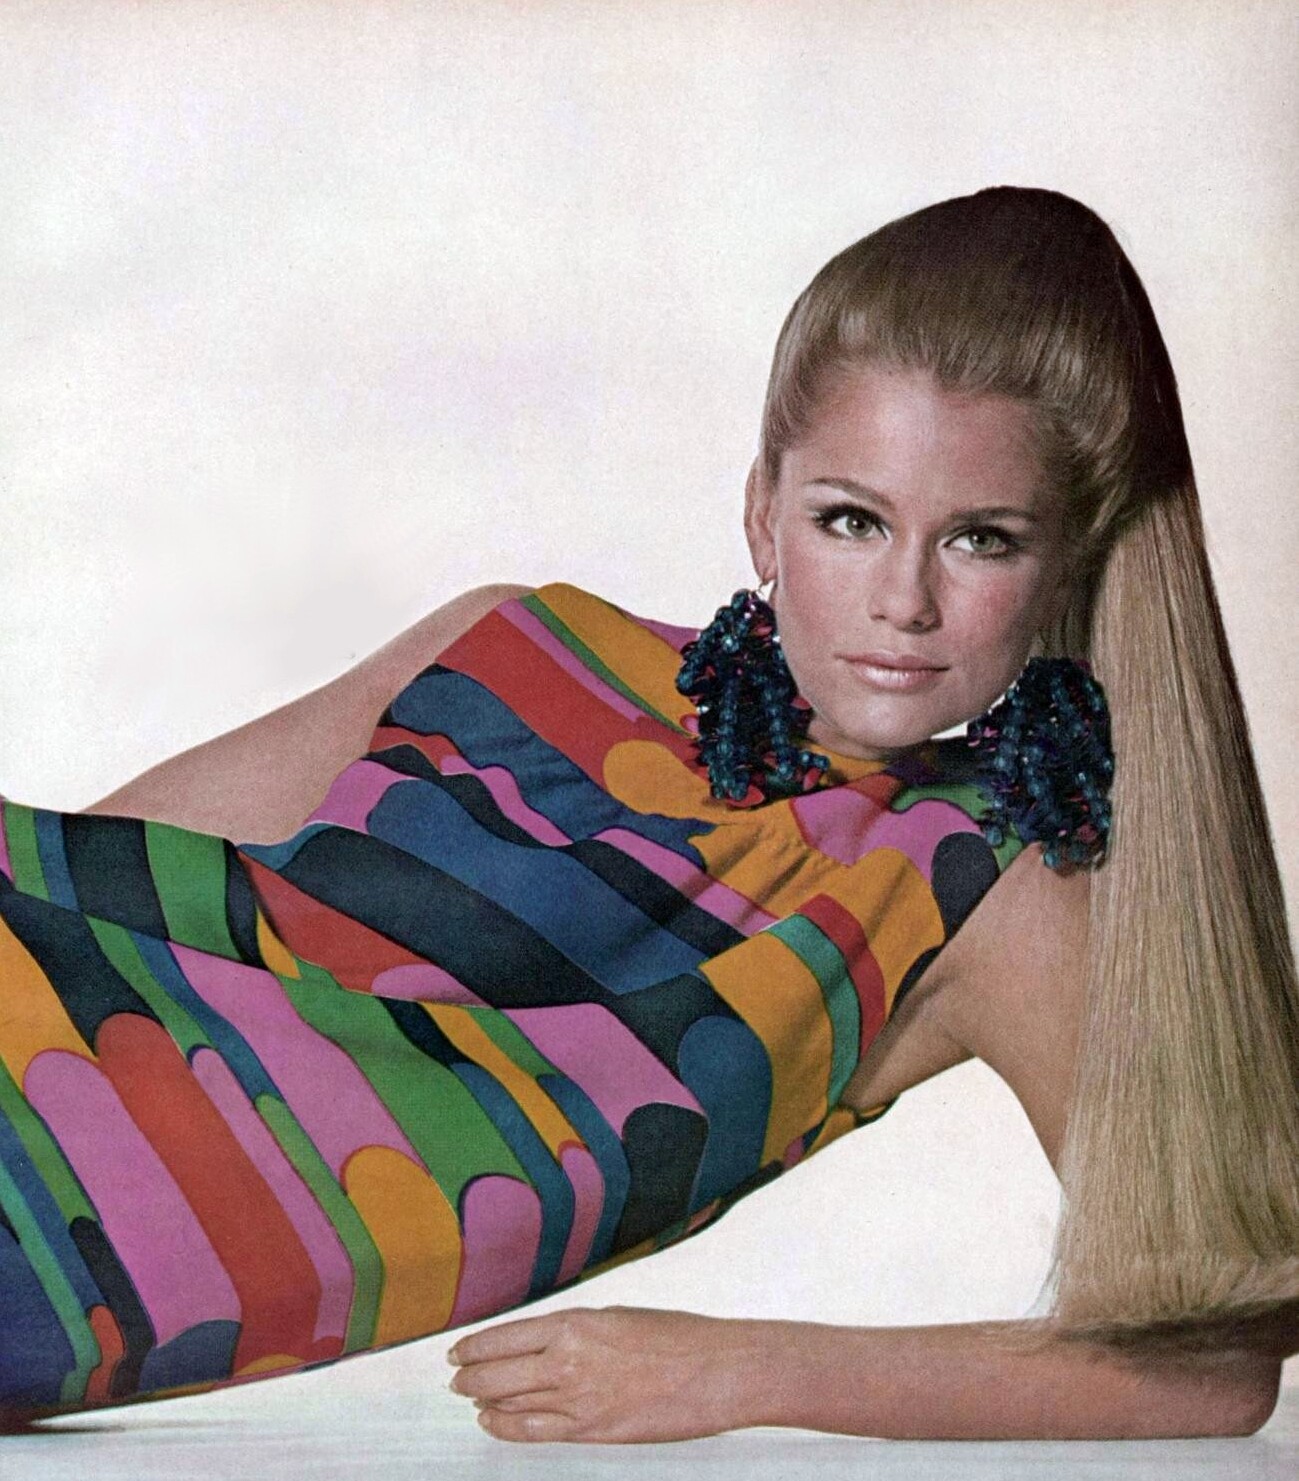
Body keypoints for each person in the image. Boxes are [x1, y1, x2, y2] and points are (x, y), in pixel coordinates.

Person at [1, 186, 1296, 1443]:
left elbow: (1210, 1366)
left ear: (1070, 561)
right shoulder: (519, 645)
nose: (904, 600)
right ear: (764, 515)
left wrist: (737, 1369)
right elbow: (76, 894)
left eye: (982, 539)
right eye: (851, 519)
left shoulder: (986, 885)